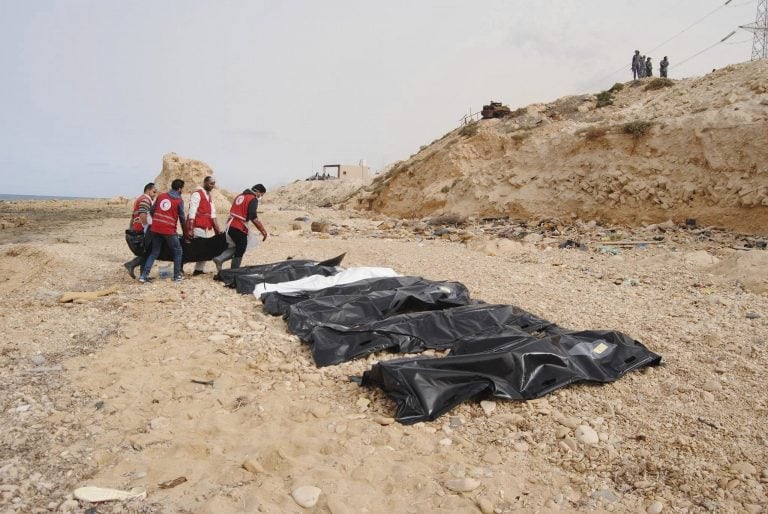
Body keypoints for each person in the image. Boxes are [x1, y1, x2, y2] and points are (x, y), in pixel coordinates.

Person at [139, 179, 188, 283]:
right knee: (178, 251)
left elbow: (152, 211)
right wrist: (186, 234)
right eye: (182, 189)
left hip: (155, 228)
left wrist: (157, 221)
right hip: (169, 229)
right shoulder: (179, 200)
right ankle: (177, 276)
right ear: (179, 189)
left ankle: (143, 276)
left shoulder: (161, 196)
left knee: (154, 252)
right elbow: (182, 219)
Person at [213, 184, 268, 273]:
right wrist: (263, 230)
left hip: (230, 225)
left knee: (237, 246)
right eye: (261, 194)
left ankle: (220, 258)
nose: (260, 197)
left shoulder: (240, 195)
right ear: (257, 191)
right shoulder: (253, 199)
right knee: (241, 248)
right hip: (239, 227)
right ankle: (234, 271)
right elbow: (253, 217)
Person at [185, 176, 221, 275]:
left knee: (203, 249)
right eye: (211, 183)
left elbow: (213, 215)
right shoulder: (197, 194)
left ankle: (198, 270)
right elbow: (192, 211)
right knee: (199, 249)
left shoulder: (208, 196)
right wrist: (190, 229)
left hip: (203, 227)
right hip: (196, 226)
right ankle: (192, 269)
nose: (213, 186)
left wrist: (217, 231)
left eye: (214, 184)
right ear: (205, 182)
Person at [123, 182, 158, 279]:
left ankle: (143, 275)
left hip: (137, 229)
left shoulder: (140, 199)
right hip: (141, 230)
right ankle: (132, 264)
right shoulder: (145, 199)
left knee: (146, 252)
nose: (155, 194)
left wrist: (131, 228)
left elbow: (134, 215)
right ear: (148, 190)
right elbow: (142, 215)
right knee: (149, 252)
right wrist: (148, 228)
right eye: (154, 192)